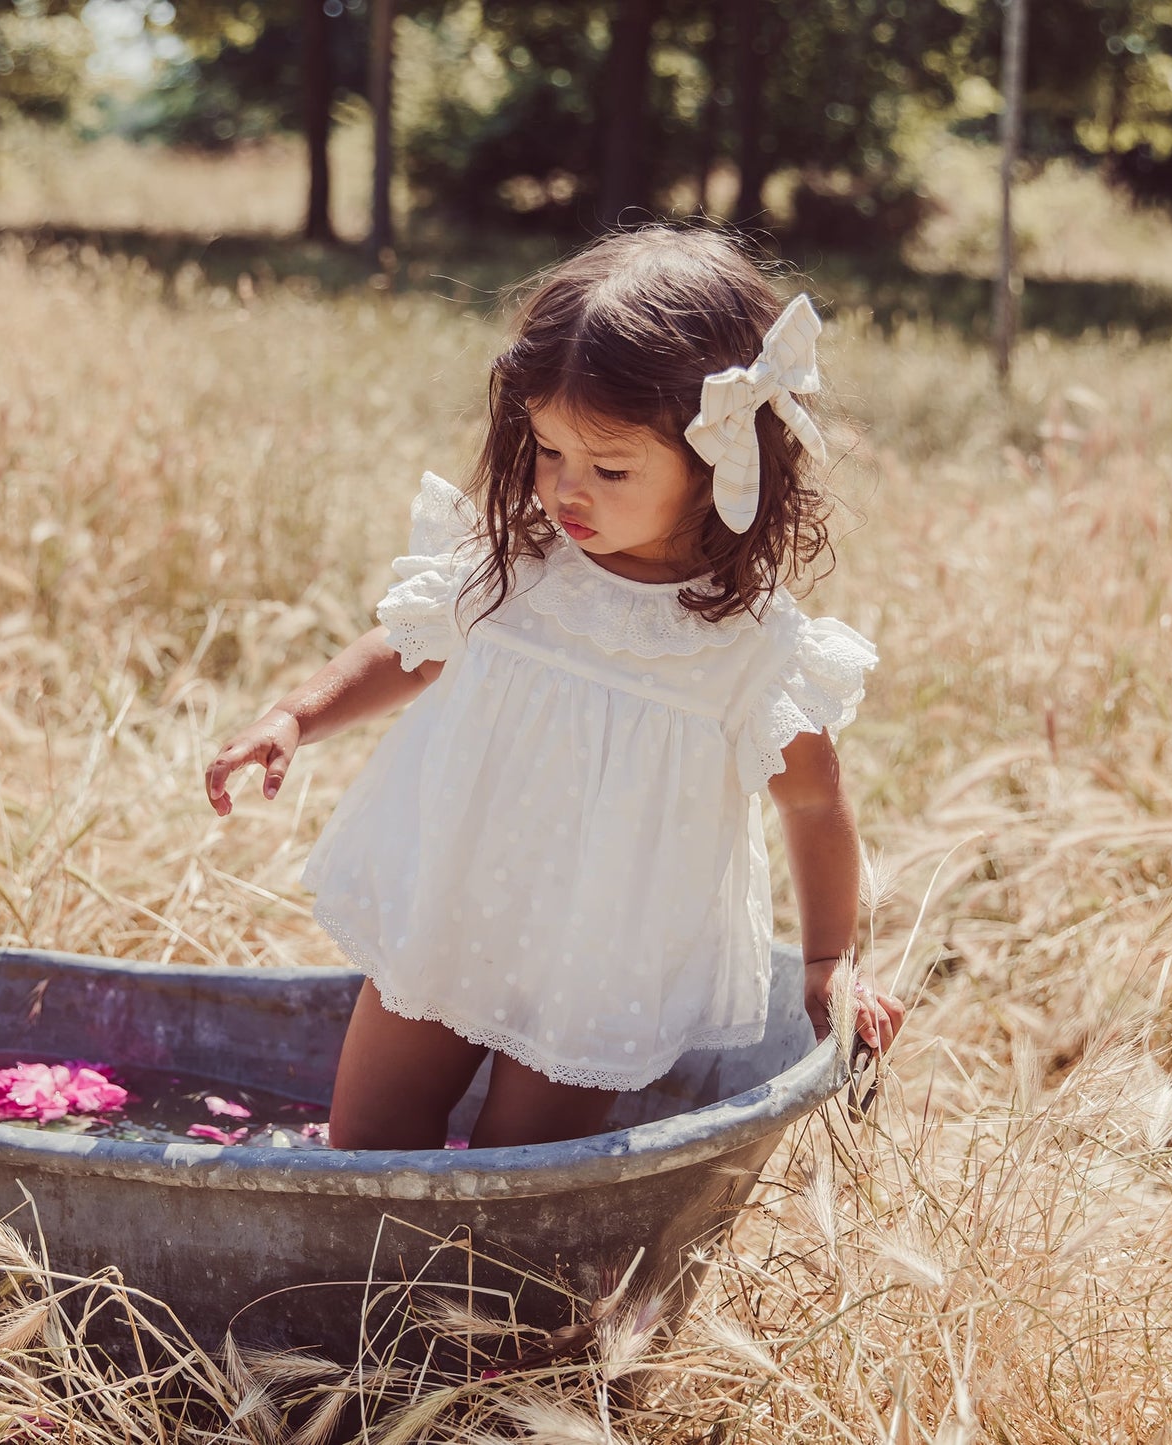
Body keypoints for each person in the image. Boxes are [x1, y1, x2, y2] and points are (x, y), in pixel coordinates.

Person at [205, 226, 903, 1152]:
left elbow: (812, 801)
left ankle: (490, 1252)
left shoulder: (746, 649)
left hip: (602, 962)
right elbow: (412, 649)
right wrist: (295, 714)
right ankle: (369, 1244)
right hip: (454, 906)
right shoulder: (519, 565)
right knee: (367, 1136)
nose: (567, 490)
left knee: (524, 1168)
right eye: (546, 450)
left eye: (609, 469)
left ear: (719, 464)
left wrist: (824, 959)